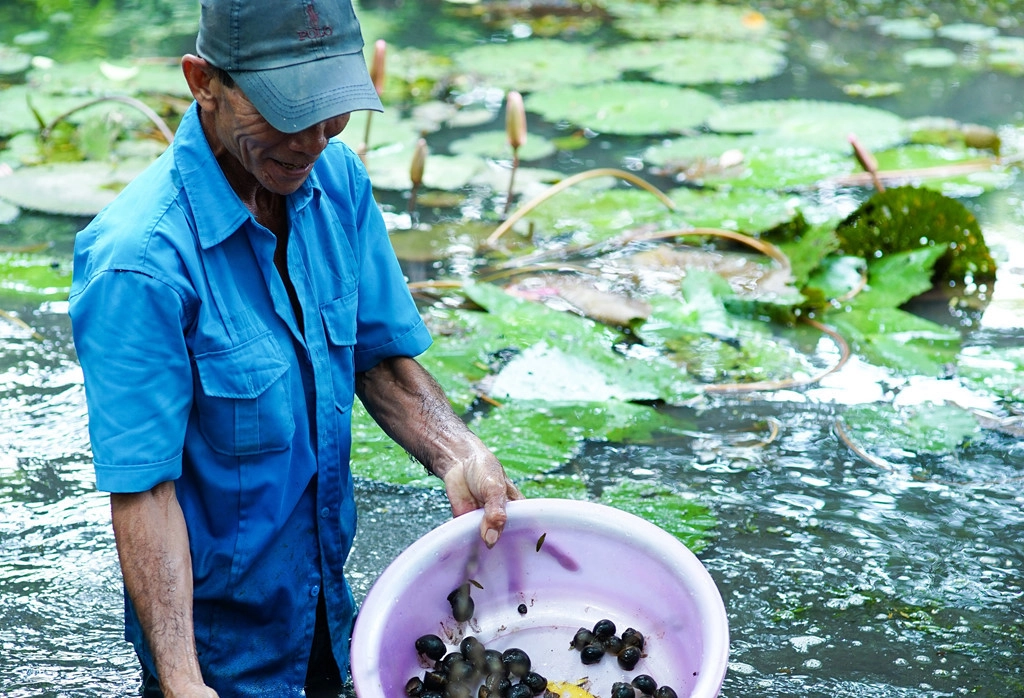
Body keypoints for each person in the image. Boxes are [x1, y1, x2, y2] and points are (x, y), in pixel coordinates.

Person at [68, 0, 521, 696]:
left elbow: (379, 360)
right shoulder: (138, 264)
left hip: (326, 613)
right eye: (285, 111)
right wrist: (184, 680)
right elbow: (145, 490)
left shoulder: (338, 185)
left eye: (331, 110)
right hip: (216, 648)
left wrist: (456, 450)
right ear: (203, 82)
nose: (312, 139)